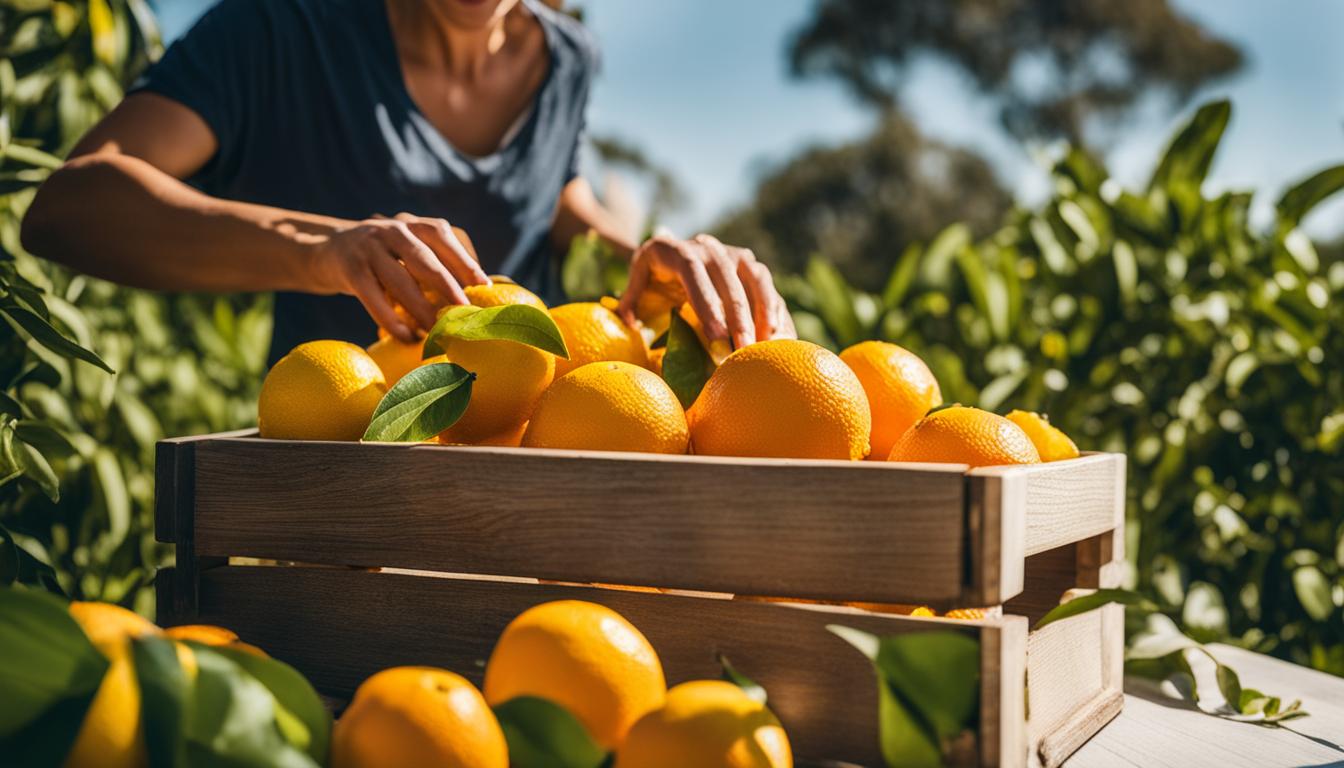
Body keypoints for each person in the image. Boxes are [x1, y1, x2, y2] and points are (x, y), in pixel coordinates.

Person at [20, 0, 794, 366]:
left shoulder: (568, 60)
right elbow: (72, 206)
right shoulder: (278, 31)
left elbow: (556, 197)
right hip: (349, 485)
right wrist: (325, 249)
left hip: (531, 466)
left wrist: (644, 260)